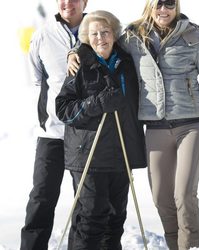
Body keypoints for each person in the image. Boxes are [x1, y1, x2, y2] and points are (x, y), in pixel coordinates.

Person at [67, 0, 199, 249]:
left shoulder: (193, 37)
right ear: (150, 5)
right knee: (161, 198)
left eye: (169, 4)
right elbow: (102, 42)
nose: (163, 10)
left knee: (184, 195)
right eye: (158, 4)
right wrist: (76, 51)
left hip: (192, 124)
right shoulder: (133, 37)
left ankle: (192, 247)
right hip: (156, 127)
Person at [55, 10, 146, 250]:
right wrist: (97, 103)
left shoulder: (127, 62)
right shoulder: (80, 65)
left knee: (116, 220)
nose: (100, 38)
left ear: (114, 34)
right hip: (89, 157)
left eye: (105, 32)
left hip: (120, 153)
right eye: (94, 33)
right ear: (86, 37)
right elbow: (64, 109)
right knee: (91, 219)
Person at [20, 0, 88, 249]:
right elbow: (39, 78)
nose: (67, 3)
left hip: (86, 134)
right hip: (52, 132)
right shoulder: (43, 35)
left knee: (85, 200)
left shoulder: (97, 30)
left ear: (85, 2)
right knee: (41, 196)